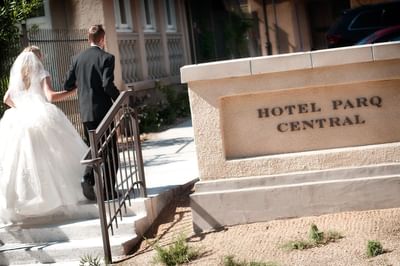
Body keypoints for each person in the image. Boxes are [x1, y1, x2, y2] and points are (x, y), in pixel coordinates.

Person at [0, 46, 88, 225]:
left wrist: (22, 108)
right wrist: (73, 91)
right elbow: (50, 97)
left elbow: (6, 99)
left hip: (19, 118)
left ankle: (25, 200)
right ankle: (53, 198)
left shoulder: (19, 76)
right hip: (40, 116)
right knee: (52, 156)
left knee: (23, 160)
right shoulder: (41, 71)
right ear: (37, 57)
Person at [64, 24, 120, 201]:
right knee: (110, 151)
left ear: (89, 39)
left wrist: (84, 83)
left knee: (95, 149)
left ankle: (87, 179)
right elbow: (107, 85)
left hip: (86, 113)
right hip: (103, 112)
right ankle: (109, 191)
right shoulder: (107, 58)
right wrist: (119, 99)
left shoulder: (77, 59)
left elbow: (67, 84)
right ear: (102, 39)